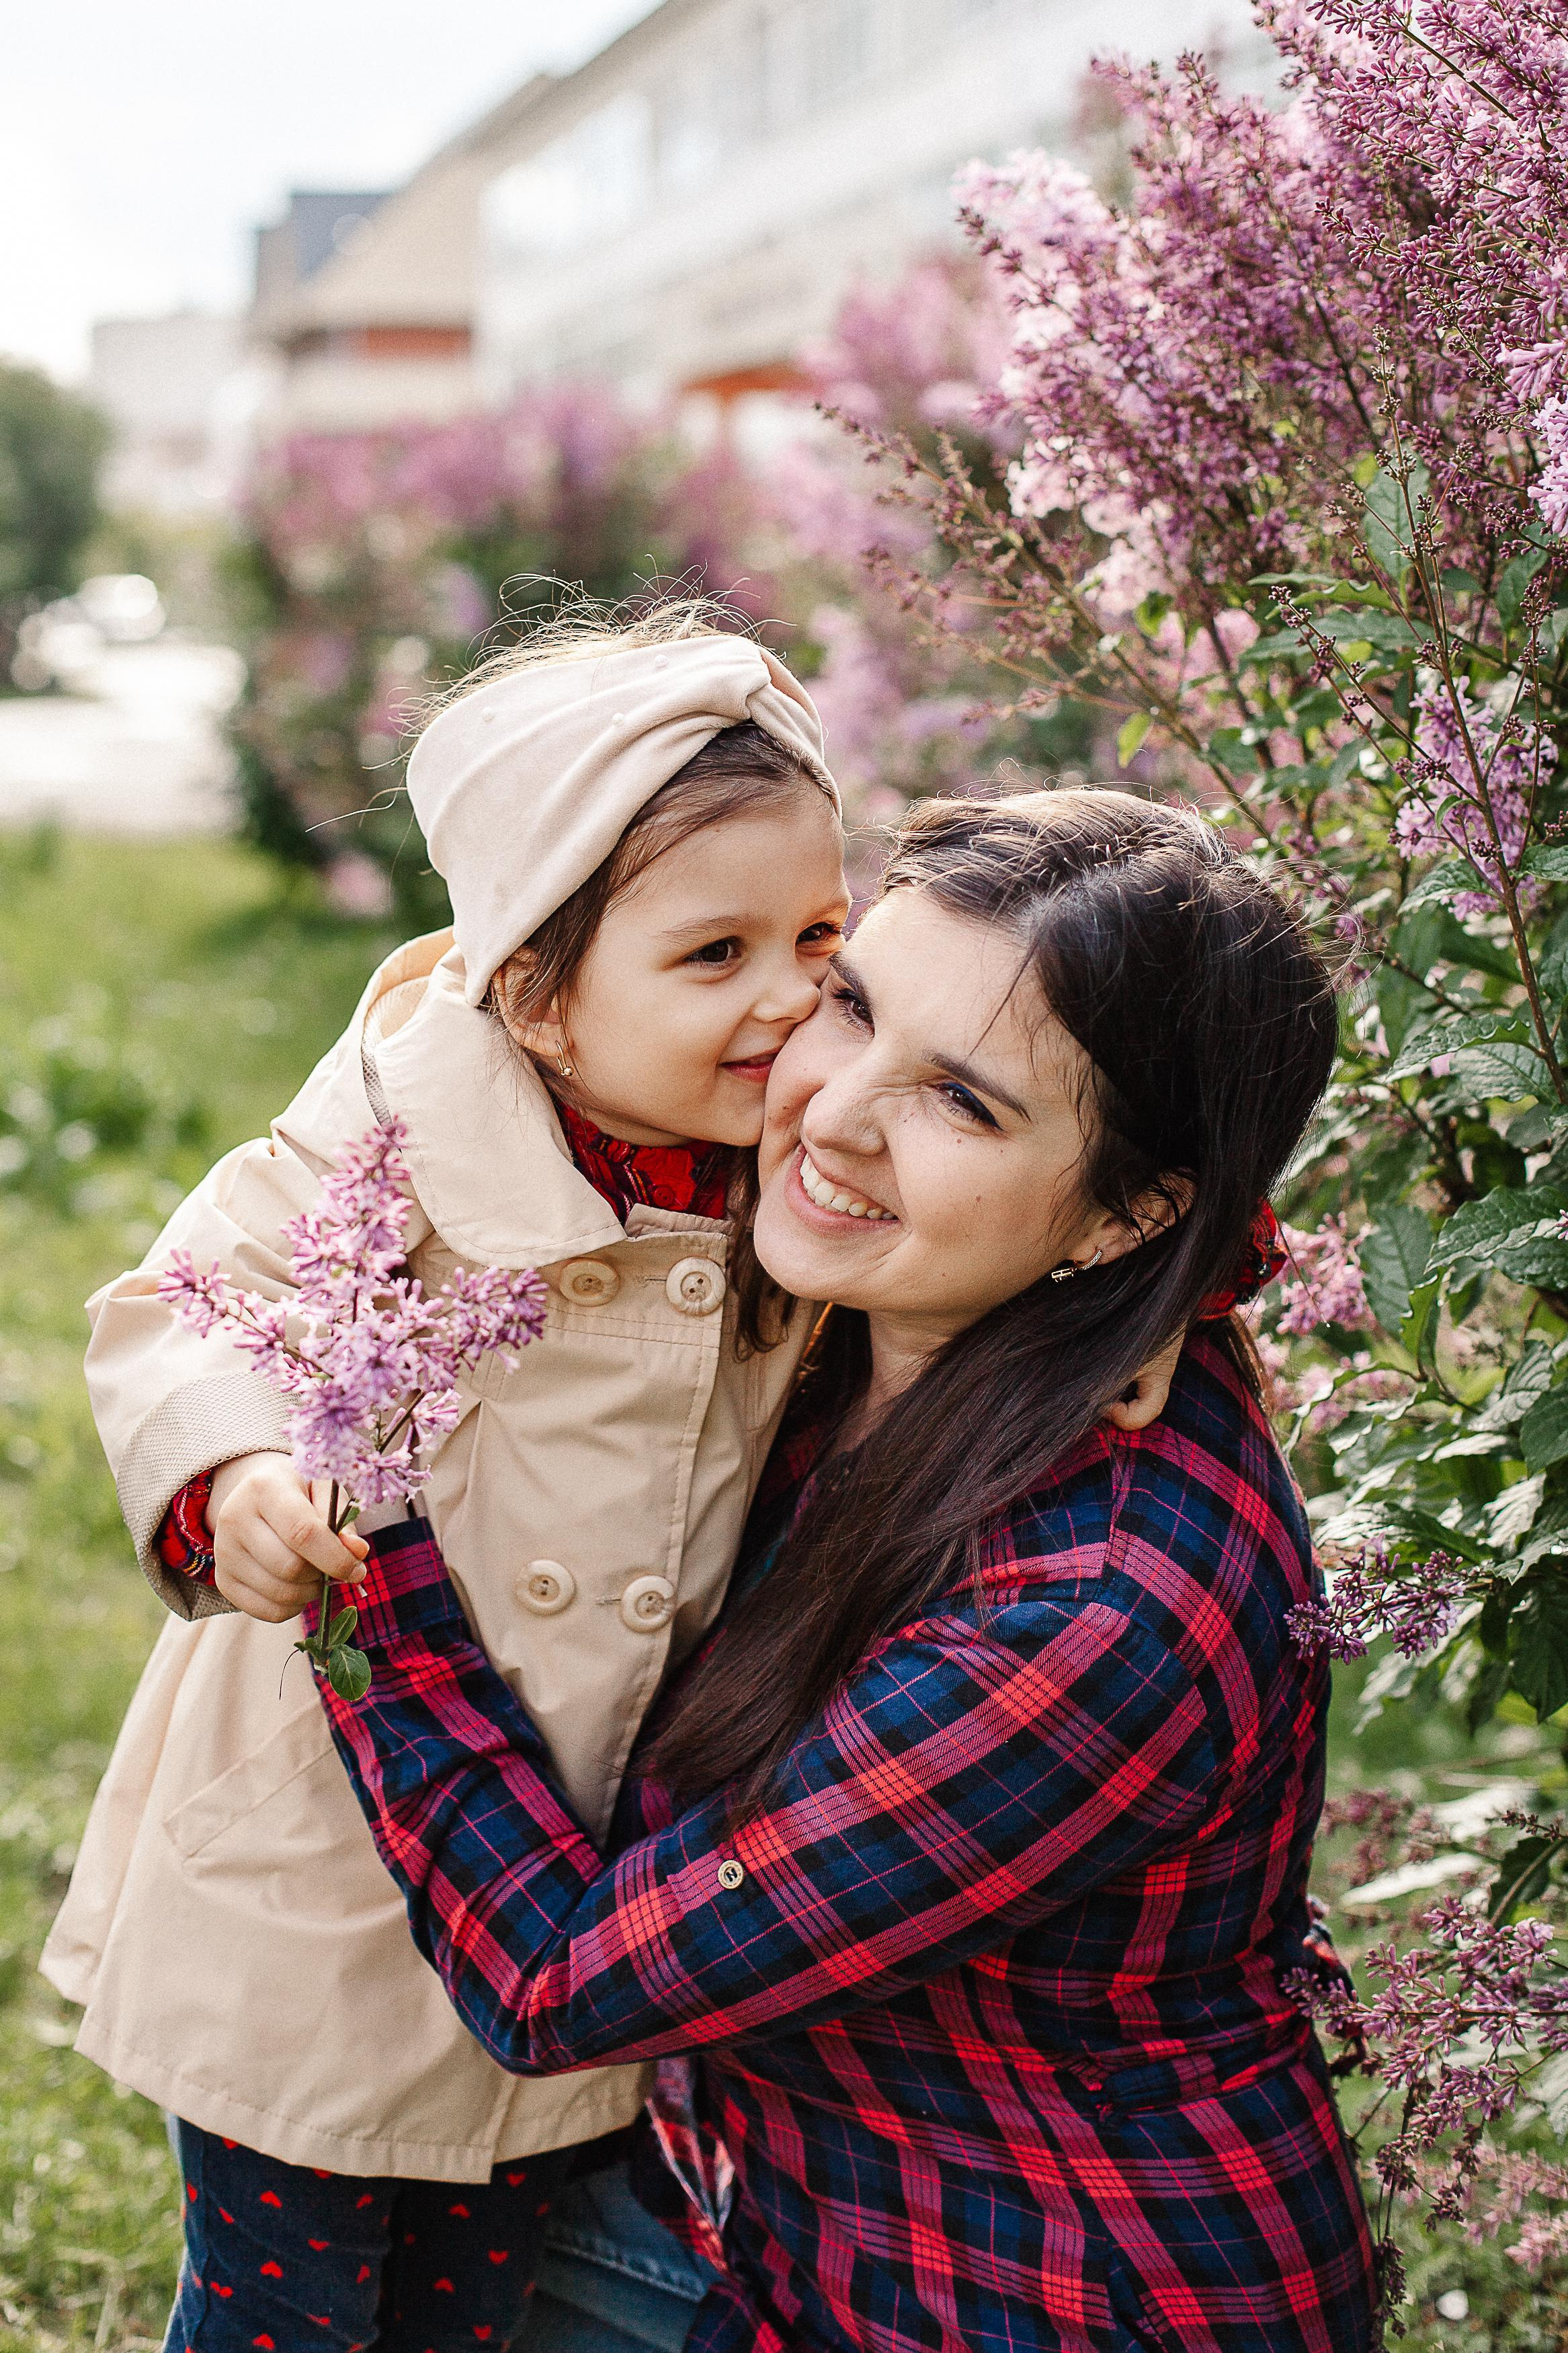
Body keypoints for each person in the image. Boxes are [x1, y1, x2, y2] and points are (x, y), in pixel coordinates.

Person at [43, 610, 1176, 2353]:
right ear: (534, 996)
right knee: (288, 2304)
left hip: (575, 1858)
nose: (791, 998)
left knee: (477, 2303)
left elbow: (982, 1235)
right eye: (711, 951)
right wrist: (240, 1472)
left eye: (817, 935)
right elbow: (187, 1308)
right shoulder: (398, 1131)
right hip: (328, 1869)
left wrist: (1124, 1320)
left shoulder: (796, 1152)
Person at [315, 787, 1378, 2353]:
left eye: (962, 1101)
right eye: (855, 1003)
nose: (831, 1112)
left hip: (1028, 2291)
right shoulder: (898, 1327)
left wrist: (349, 1548)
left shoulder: (1099, 1609)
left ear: (1132, 1216)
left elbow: (561, 1986)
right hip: (772, 2213)